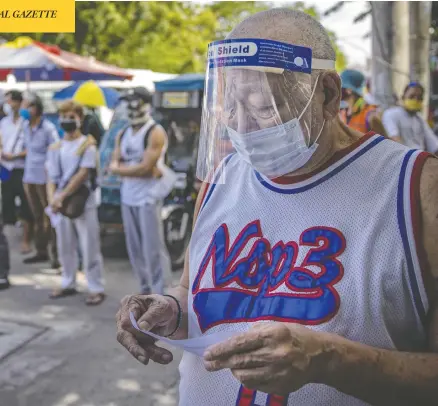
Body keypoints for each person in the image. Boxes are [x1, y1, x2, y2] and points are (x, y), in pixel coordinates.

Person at [116, 8, 438, 406]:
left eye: (265, 108)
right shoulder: (221, 181)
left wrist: (331, 361)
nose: (243, 128)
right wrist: (168, 309)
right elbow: (191, 290)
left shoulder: (416, 189)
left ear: (328, 94)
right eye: (232, 108)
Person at [109, 87, 171, 295]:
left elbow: (146, 168)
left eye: (133, 101)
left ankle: (162, 293)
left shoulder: (155, 132)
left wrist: (123, 169)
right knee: (134, 249)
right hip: (128, 197)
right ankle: (145, 290)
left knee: (153, 248)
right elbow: (114, 164)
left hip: (148, 197)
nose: (129, 106)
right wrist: (132, 170)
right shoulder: (123, 133)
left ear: (144, 103)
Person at [46, 100, 105, 305]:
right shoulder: (56, 147)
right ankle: (68, 282)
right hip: (60, 204)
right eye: (64, 117)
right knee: (65, 245)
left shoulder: (87, 145)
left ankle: (95, 286)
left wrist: (60, 197)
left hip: (82, 202)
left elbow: (82, 174)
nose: (67, 121)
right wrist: (53, 199)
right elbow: (51, 176)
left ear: (80, 119)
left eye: (72, 117)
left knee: (89, 245)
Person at [21, 94, 60, 267]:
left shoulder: (48, 128)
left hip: (44, 178)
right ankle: (41, 250)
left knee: (50, 216)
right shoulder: (26, 126)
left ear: (36, 108)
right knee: (36, 215)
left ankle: (56, 255)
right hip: (29, 175)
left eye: (27, 106)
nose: (24, 109)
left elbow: (55, 149)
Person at [0, 90, 33, 254]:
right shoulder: (4, 122)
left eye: (10, 101)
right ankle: (8, 242)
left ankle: (26, 241)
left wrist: (15, 155)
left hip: (22, 168)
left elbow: (32, 148)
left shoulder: (26, 123)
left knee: (26, 204)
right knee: (7, 204)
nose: (8, 105)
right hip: (5, 168)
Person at [382, 82, 438, 154]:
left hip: (421, 159)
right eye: (411, 96)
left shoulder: (419, 119)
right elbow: (394, 140)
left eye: (419, 98)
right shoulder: (391, 114)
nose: (416, 100)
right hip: (404, 159)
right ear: (403, 97)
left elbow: (433, 144)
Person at [340, 69, 388, 136]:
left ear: (349, 90)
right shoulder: (343, 113)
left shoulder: (371, 116)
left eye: (340, 88)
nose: (336, 92)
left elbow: (385, 145)